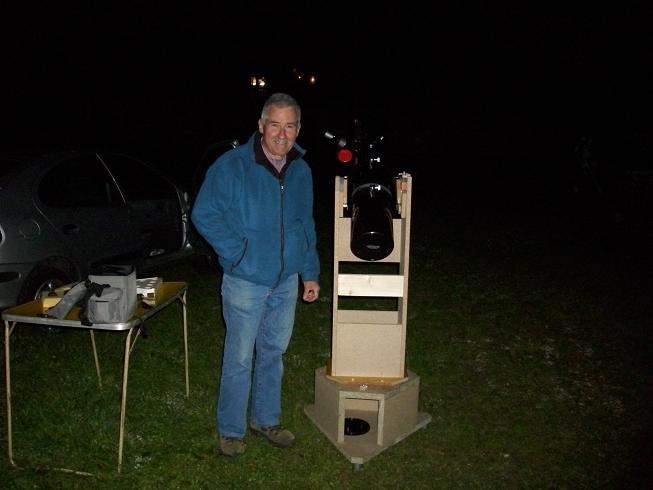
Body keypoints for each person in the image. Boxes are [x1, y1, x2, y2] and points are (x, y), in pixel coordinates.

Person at [192, 93, 320, 457]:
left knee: (273, 353)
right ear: (261, 126)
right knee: (239, 358)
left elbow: (305, 224)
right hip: (245, 281)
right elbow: (204, 214)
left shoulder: (301, 170)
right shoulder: (232, 166)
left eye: (289, 126)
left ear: (298, 129)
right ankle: (231, 430)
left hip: (286, 280)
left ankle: (266, 420)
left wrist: (309, 272)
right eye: (274, 124)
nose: (282, 133)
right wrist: (239, 252)